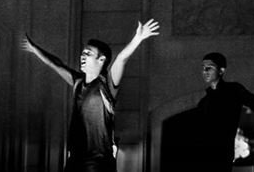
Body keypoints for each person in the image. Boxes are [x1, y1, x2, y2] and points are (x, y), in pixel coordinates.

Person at [22, 19, 160, 172]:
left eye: (88, 53)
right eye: (83, 53)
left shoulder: (106, 85)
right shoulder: (78, 82)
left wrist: (137, 39)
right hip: (75, 158)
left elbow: (121, 59)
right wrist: (35, 49)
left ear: (101, 60)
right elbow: (56, 64)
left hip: (98, 162)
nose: (83, 55)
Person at [195, 52, 254, 172]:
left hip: (222, 154)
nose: (205, 71)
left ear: (221, 70)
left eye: (209, 67)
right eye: (203, 68)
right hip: (203, 156)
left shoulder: (234, 90)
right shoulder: (204, 102)